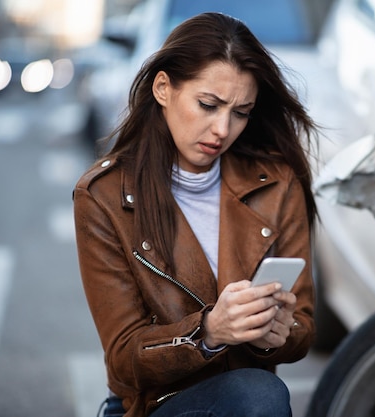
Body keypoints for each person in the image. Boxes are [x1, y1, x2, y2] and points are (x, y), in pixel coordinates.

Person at [73, 12, 318, 417]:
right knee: (259, 394)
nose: (222, 128)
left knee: (258, 392)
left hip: (249, 399)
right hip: (155, 404)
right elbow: (123, 356)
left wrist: (276, 335)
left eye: (241, 112)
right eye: (208, 104)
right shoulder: (103, 197)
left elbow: (303, 327)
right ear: (164, 88)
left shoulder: (277, 183)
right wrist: (206, 332)